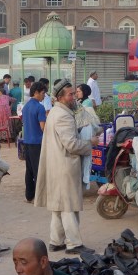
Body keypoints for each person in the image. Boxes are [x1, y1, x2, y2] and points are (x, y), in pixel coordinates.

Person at [34, 78, 99, 254]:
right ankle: (74, 243)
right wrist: (90, 142)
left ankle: (56, 241)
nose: (74, 97)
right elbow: (71, 144)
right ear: (61, 97)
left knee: (58, 206)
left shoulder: (56, 112)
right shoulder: (63, 115)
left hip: (58, 165)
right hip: (64, 166)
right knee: (69, 207)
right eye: (70, 94)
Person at [22, 81, 47, 202]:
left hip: (27, 142)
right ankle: (40, 196)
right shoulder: (40, 107)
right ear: (36, 92)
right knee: (39, 170)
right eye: (43, 93)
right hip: (37, 142)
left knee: (30, 170)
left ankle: (29, 195)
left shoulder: (26, 106)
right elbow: (43, 127)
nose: (44, 95)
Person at [75, 83, 101, 188]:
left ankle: (84, 182)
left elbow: (85, 116)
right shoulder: (79, 102)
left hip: (86, 130)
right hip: (81, 131)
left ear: (84, 92)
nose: (77, 93)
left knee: (85, 159)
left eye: (78, 91)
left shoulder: (87, 102)